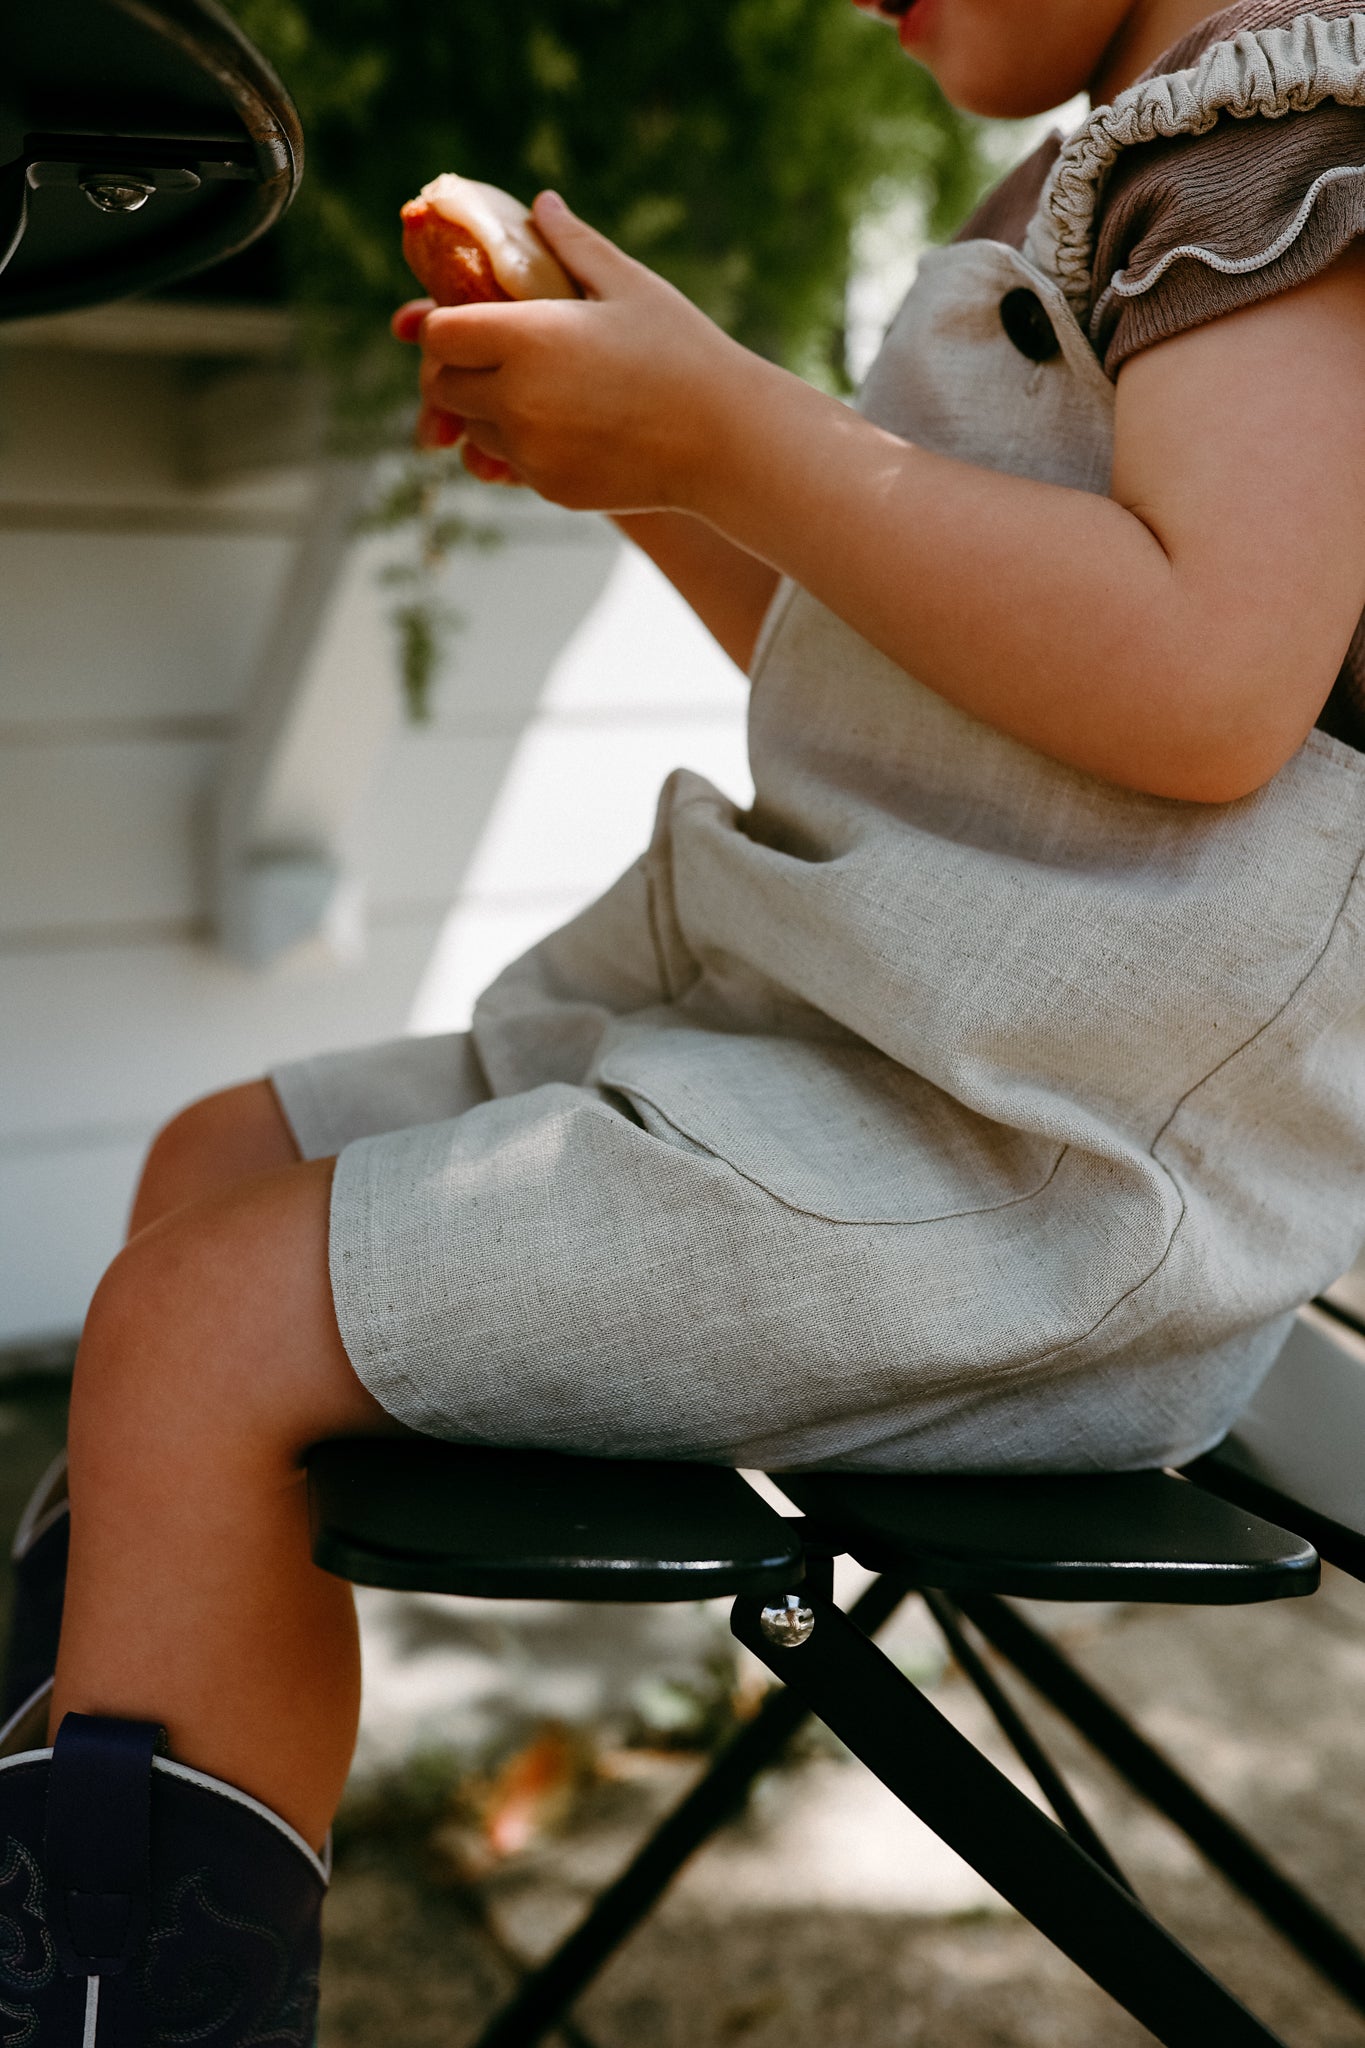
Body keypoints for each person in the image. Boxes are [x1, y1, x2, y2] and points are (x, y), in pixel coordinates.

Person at [9, 0, 1365, 2038]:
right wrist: (654, 465)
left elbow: (1199, 687)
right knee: (219, 1161)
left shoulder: (1280, 153)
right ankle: (82, 1870)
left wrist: (736, 426)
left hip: (1042, 1179)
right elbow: (906, 670)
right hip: (875, 1068)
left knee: (198, 1328)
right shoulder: (1096, 181)